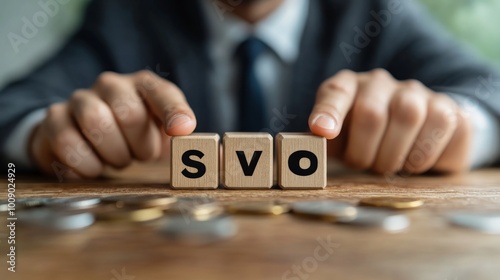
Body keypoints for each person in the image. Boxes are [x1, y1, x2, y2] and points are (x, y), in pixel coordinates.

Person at [1, 0, 499, 179]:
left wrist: (459, 127)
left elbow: (489, 89)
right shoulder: (128, 14)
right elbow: (12, 106)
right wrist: (46, 135)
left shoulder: (375, 11)